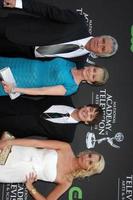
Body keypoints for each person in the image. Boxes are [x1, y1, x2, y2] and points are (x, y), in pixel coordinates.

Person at [0, 0, 118, 66]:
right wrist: (19, 3)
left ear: (100, 54)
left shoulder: (79, 63)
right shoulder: (78, 23)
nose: (99, 44)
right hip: (17, 29)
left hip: (21, 54)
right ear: (100, 36)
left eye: (103, 48)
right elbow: (48, 11)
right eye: (103, 41)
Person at [0, 137, 105, 200]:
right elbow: (36, 143)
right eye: (90, 155)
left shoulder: (67, 181)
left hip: (16, 173)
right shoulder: (66, 148)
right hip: (19, 152)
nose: (87, 158)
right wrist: (9, 142)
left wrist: (31, 188)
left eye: (90, 162)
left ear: (88, 170)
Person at [0, 96, 103, 142]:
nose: (87, 113)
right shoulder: (65, 98)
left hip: (16, 129)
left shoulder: (67, 136)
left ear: (87, 122)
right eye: (90, 109)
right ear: (86, 106)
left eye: (91, 116)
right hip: (14, 105)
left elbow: (43, 143)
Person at [0, 57, 109, 97]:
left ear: (90, 82)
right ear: (92, 66)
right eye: (94, 70)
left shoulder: (72, 87)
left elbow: (42, 91)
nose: (91, 73)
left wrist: (14, 89)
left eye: (93, 77)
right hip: (21, 63)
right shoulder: (72, 63)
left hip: (23, 81)